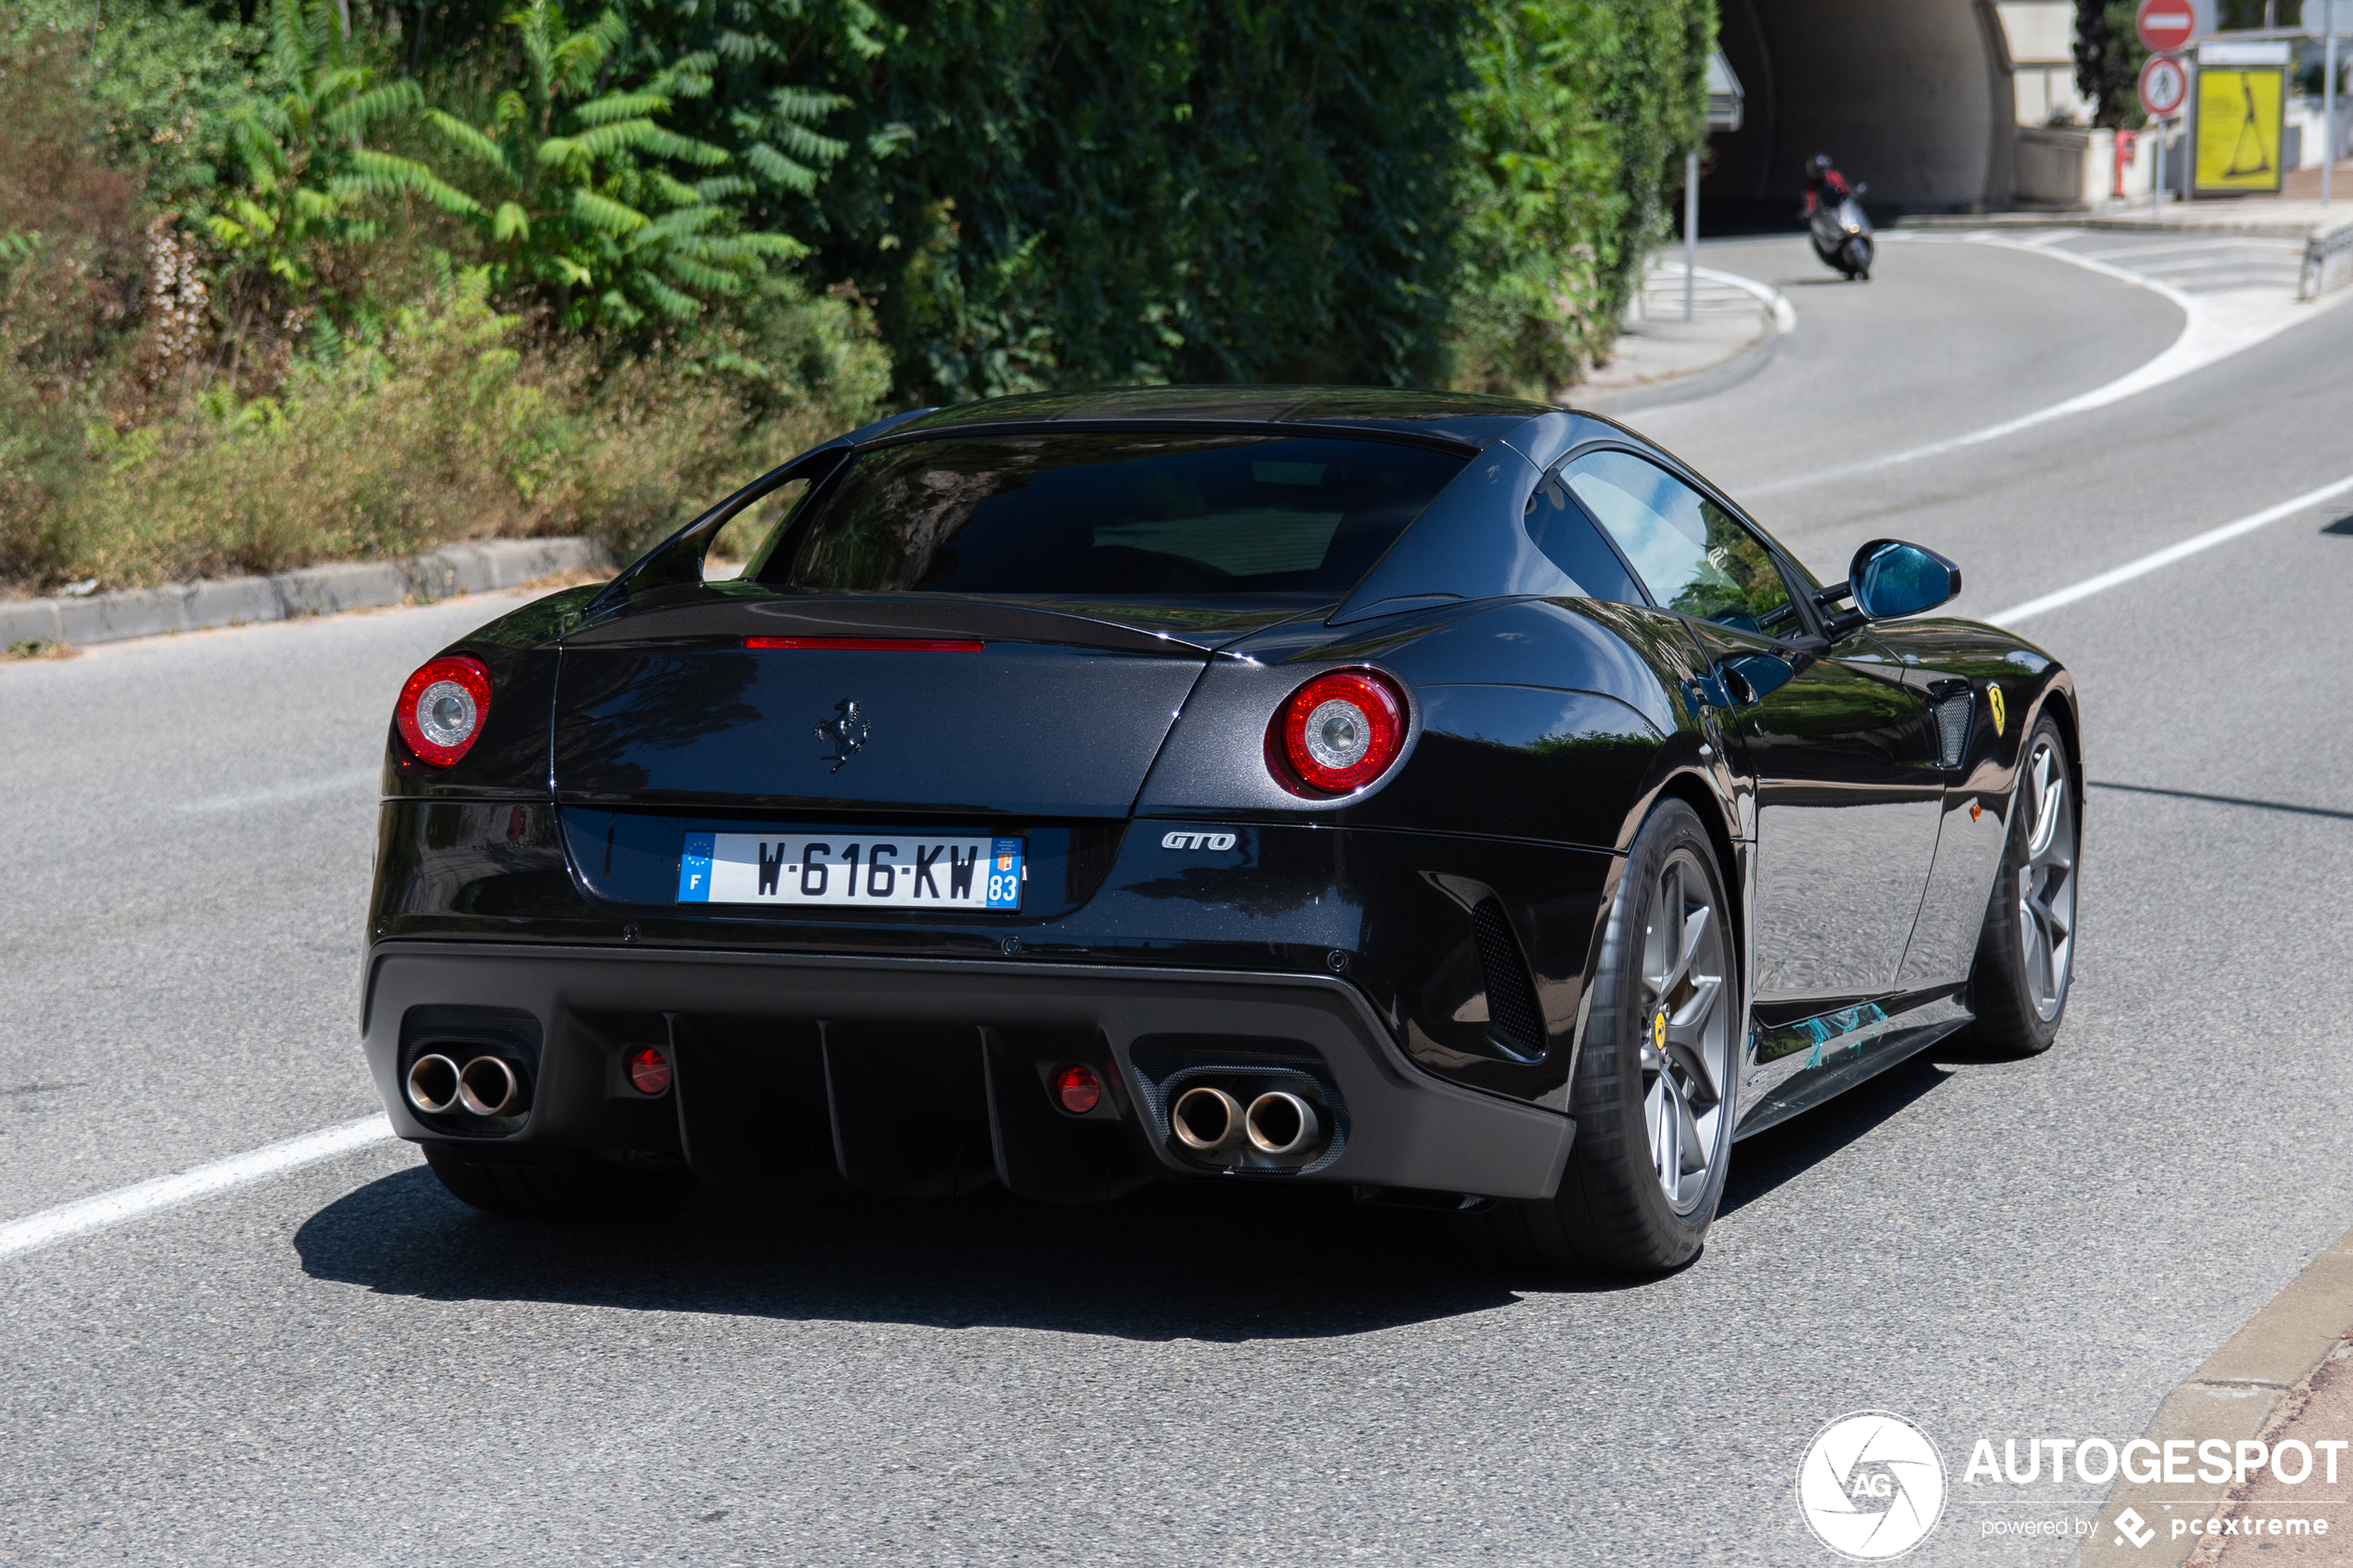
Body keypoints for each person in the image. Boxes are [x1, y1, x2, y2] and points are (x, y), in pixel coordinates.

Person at [1803, 153, 1854, 217]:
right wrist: (1809, 210)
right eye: (1818, 169)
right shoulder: (1811, 184)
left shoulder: (1834, 176)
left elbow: (1845, 188)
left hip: (1841, 208)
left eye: (1822, 169)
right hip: (1824, 214)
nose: (1820, 172)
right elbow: (1810, 198)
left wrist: (1850, 193)